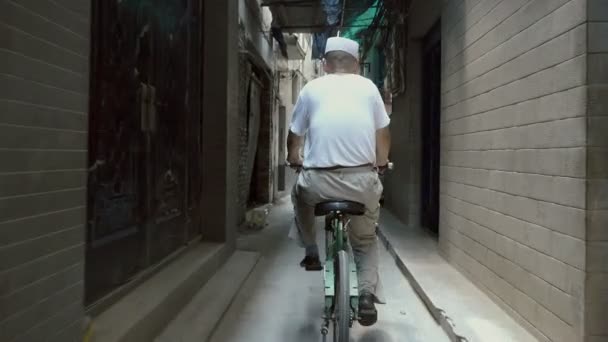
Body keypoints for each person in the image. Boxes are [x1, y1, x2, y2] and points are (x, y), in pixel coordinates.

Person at [287, 36, 391, 327]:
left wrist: (294, 157)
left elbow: (294, 136)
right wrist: (381, 163)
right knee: (365, 239)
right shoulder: (369, 88)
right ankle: (367, 296)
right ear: (357, 64)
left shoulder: (311, 88)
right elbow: (383, 134)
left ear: (324, 64)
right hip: (361, 181)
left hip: (318, 181)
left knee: (299, 196)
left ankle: (310, 250)